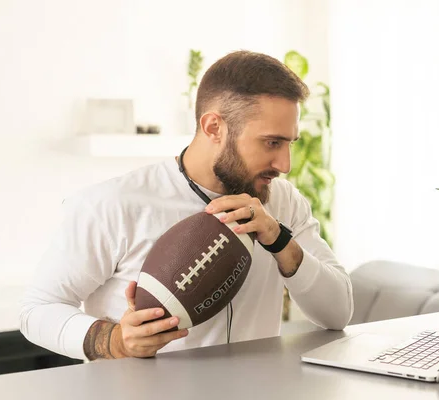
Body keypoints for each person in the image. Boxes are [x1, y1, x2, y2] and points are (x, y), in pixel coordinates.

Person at [19, 50, 354, 361]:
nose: (285, 164)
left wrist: (280, 241)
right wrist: (115, 340)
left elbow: (338, 313)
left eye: (289, 143)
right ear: (214, 127)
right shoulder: (111, 204)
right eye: (272, 142)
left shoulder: (283, 201)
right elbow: (37, 308)